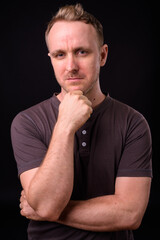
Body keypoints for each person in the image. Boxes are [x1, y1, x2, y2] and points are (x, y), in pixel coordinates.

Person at [11, 3, 152, 240]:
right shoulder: (27, 122)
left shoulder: (134, 123)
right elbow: (46, 203)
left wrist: (50, 211)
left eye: (81, 52)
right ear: (51, 60)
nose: (71, 66)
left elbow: (129, 214)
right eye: (60, 55)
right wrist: (65, 125)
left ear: (103, 55)